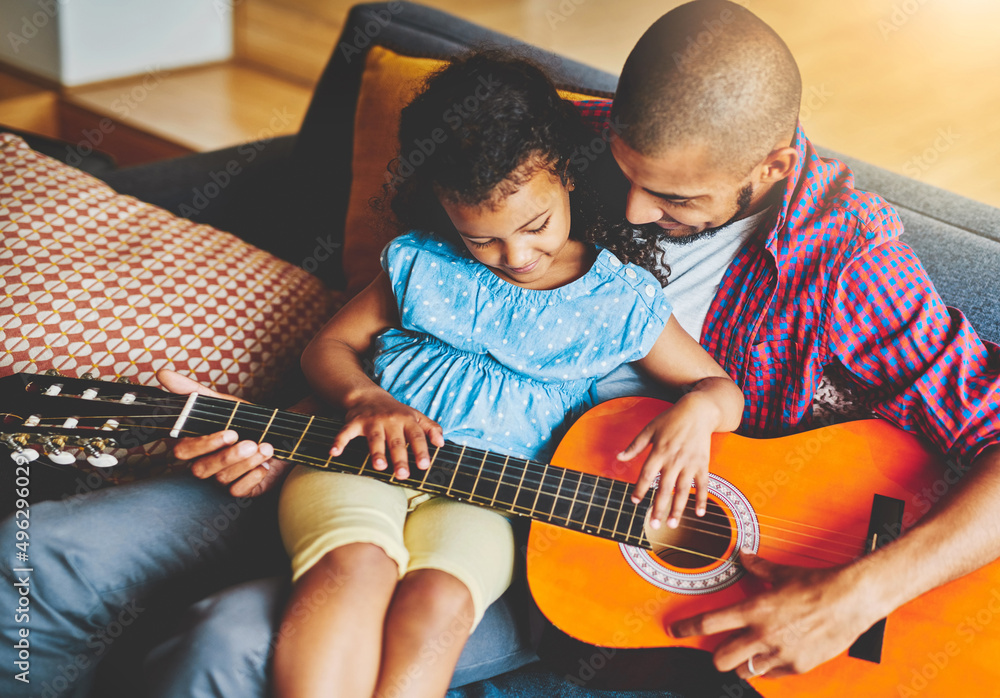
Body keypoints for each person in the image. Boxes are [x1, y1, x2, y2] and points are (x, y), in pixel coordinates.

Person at [3, 1, 998, 695]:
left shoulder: (846, 266)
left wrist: (859, 591)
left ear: (772, 164)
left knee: (227, 647)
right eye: (623, 175)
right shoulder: (560, 149)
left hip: (541, 543)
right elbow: (404, 281)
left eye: (678, 200)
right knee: (46, 557)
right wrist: (280, 423)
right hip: (358, 450)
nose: (635, 209)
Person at [269, 50, 743, 697]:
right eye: (481, 239)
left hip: (490, 499)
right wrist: (366, 398)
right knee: (354, 570)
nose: (515, 255)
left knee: (439, 607)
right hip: (366, 462)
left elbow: (720, 389)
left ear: (567, 177)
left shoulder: (618, 301)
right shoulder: (424, 264)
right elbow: (326, 348)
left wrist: (698, 413)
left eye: (535, 225)